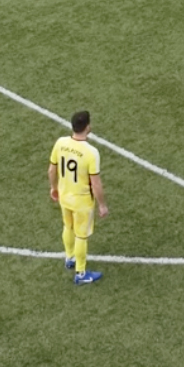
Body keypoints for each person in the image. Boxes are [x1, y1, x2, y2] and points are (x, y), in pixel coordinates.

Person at [48, 110, 108, 285]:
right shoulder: (91, 152)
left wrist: (54, 188)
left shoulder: (60, 143)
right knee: (81, 236)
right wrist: (102, 205)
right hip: (82, 201)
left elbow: (51, 170)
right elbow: (96, 183)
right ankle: (80, 273)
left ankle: (70, 257)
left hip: (64, 195)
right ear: (87, 126)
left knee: (68, 226)